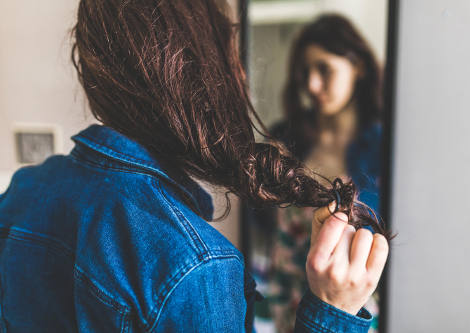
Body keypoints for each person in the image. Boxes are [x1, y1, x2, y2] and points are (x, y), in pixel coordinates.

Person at [0, 2, 389, 332]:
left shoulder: (24, 189)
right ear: (203, 69)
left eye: (326, 70)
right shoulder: (196, 267)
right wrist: (332, 312)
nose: (312, 86)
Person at [264, 15, 385, 332]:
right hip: (286, 298)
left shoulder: (384, 148)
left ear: (357, 66)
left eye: (325, 69)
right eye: (305, 73)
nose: (313, 85)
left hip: (353, 305)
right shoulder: (284, 138)